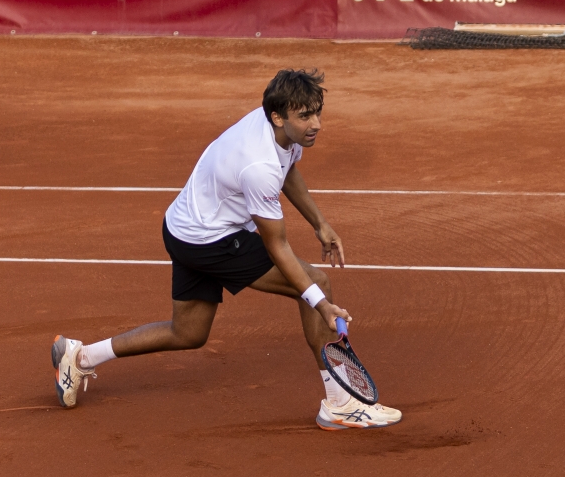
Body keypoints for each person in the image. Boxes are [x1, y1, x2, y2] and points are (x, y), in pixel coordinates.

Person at [51, 69, 402, 430]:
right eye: (305, 116)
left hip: (183, 228)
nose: (316, 124)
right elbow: (277, 245)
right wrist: (321, 303)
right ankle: (341, 404)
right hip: (212, 241)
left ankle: (79, 357)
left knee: (187, 333)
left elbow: (288, 168)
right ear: (278, 117)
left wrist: (319, 223)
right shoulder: (258, 166)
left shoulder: (277, 127)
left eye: (318, 112)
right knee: (316, 284)